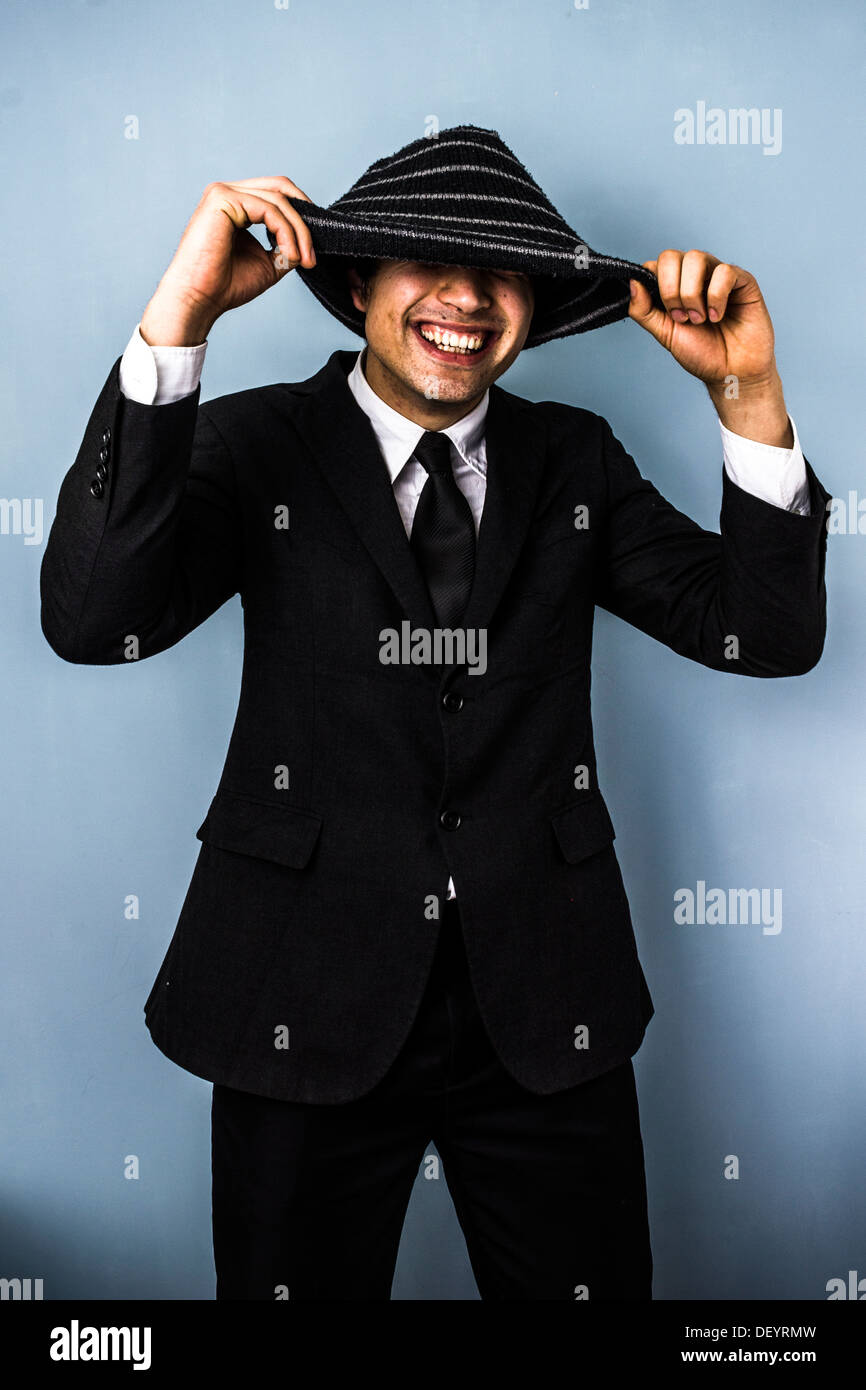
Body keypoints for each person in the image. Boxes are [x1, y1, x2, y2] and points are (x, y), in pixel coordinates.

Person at [40, 125, 830, 1301]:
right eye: (423, 259)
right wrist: (181, 322)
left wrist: (746, 390)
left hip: (543, 1002)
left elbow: (766, 634)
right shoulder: (257, 443)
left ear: (530, 307)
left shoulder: (575, 461)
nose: (463, 296)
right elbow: (93, 619)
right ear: (357, 282)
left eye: (500, 270)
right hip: (297, 996)